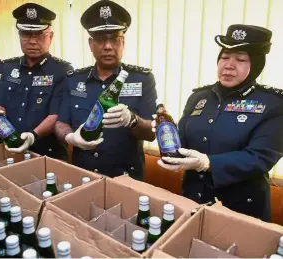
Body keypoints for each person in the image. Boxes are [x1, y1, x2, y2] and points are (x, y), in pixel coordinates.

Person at [154, 24, 283, 222]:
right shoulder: (199, 97)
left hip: (240, 209)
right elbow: (184, 140)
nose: (229, 65)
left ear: (256, 64)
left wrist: (208, 163)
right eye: (224, 57)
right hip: (193, 199)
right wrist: (166, 135)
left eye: (240, 59)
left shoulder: (273, 104)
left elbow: (260, 158)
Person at [55, 0, 157, 180]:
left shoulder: (142, 79)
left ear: (123, 42)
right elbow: (61, 122)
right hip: (83, 177)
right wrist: (71, 138)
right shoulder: (73, 80)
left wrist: (131, 120)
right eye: (101, 39)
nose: (108, 46)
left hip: (126, 180)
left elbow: (151, 133)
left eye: (115, 39)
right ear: (90, 44)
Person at [0, 3, 73, 160]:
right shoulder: (7, 67)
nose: (33, 41)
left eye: (40, 35)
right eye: (27, 34)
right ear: (19, 36)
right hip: (11, 150)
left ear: (51, 37)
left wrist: (33, 136)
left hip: (48, 154)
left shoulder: (62, 70)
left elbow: (56, 114)